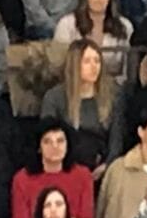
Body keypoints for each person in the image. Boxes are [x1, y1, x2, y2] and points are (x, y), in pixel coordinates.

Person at [41, 36, 125, 170]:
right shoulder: (54, 97)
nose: (94, 66)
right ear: (74, 65)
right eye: (87, 61)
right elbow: (48, 139)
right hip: (67, 167)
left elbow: (116, 140)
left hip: (103, 166)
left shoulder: (114, 95)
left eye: (97, 61)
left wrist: (106, 166)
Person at [11, 120, 94, 218]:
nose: (55, 146)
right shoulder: (22, 179)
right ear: (39, 147)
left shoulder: (83, 175)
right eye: (47, 142)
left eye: (60, 141)